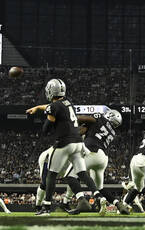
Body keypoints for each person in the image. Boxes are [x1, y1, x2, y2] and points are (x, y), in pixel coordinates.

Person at [26, 79, 107, 216]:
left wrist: (46, 122)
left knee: (51, 174)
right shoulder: (68, 102)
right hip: (79, 143)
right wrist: (39, 107)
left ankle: (46, 208)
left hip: (64, 143)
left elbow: (47, 126)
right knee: (82, 173)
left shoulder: (54, 107)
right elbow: (54, 106)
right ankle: (99, 196)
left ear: (50, 91)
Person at [61, 108, 122, 215]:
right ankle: (118, 204)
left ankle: (82, 200)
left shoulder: (99, 117)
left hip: (91, 151)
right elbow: (86, 130)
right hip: (103, 158)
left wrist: (70, 119)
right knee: (99, 187)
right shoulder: (112, 132)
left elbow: (84, 119)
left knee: (70, 176)